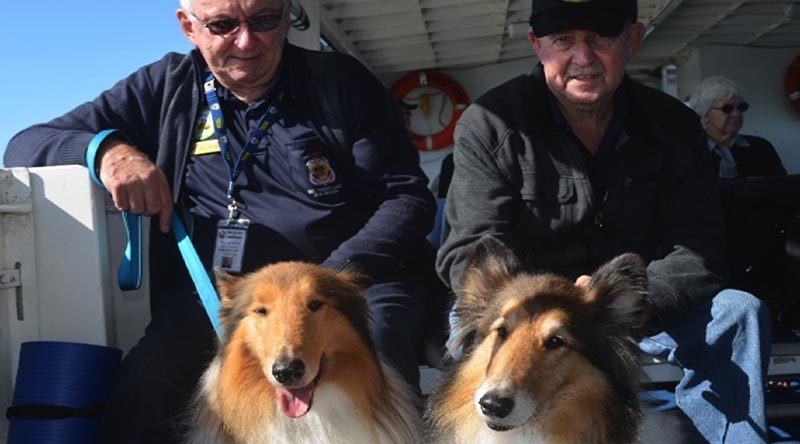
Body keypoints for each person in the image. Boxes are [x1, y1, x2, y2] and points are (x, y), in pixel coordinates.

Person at [4, 0, 436, 441]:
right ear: (188, 27)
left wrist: (330, 279)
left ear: (287, 16)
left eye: (263, 19)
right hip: (223, 295)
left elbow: (406, 198)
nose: (246, 41)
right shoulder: (165, 86)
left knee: (381, 352)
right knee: (143, 392)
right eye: (223, 25)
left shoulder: (341, 82)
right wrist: (109, 152)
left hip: (347, 281)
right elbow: (25, 144)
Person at [436, 0, 771, 443]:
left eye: (600, 38)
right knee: (469, 329)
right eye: (563, 41)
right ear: (537, 45)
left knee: (739, 311)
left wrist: (635, 302)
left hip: (632, 306)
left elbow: (698, 247)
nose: (584, 57)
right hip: (522, 310)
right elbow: (470, 248)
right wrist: (551, 300)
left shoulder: (675, 126)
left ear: (633, 39)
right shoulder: (489, 123)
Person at [689, 75, 786, 178]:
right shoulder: (689, 151)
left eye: (741, 107)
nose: (737, 114)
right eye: (727, 108)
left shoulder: (761, 148)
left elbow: (781, 188)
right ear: (705, 114)